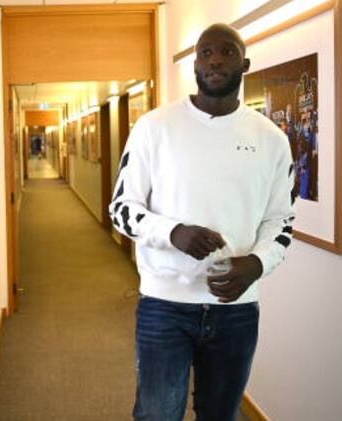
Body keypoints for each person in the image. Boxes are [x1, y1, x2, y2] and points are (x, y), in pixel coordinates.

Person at [109, 23, 295, 420]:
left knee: (220, 415)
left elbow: (281, 221)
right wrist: (173, 233)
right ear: (194, 64)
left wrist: (257, 264)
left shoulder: (272, 140)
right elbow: (122, 208)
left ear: (244, 63)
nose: (215, 59)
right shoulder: (154, 128)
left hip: (236, 308)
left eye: (226, 52)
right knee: (157, 414)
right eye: (206, 52)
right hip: (165, 304)